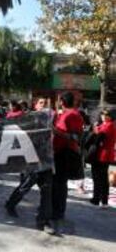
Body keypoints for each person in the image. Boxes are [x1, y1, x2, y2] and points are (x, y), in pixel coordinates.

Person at [4, 96, 54, 231]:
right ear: (35, 105)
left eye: (46, 103)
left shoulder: (51, 120)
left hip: (46, 161)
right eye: (41, 103)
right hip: (31, 160)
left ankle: (43, 221)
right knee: (25, 186)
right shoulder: (29, 119)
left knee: (47, 191)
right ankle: (10, 204)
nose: (44, 106)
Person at [52, 92, 84, 232]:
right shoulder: (64, 114)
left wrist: (55, 131)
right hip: (58, 152)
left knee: (60, 184)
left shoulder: (73, 115)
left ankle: (58, 212)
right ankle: (55, 209)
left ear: (62, 102)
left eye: (59, 100)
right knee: (56, 183)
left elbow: (75, 137)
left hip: (65, 153)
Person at [90, 109, 115, 208]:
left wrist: (95, 130)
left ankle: (101, 199)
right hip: (101, 155)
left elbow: (98, 137)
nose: (104, 116)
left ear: (111, 116)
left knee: (101, 178)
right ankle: (97, 198)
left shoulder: (109, 125)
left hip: (103, 155)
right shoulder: (104, 124)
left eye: (106, 114)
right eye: (102, 114)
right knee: (98, 177)